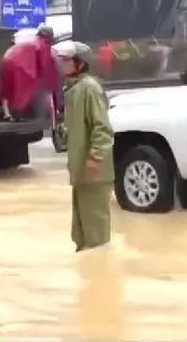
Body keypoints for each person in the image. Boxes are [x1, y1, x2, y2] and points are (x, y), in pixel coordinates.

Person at [53, 40, 115, 252]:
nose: (61, 63)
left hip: (93, 171)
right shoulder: (73, 89)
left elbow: (102, 128)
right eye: (61, 59)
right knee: (82, 231)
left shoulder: (89, 89)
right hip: (81, 170)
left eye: (66, 60)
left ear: (80, 63)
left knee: (96, 234)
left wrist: (95, 157)